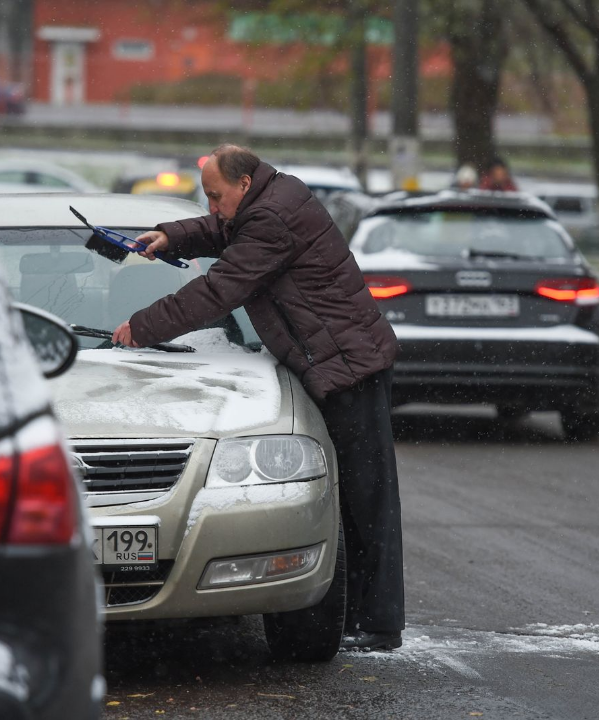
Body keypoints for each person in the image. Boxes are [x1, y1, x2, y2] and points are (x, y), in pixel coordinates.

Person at [112, 144, 405, 651]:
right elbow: (222, 230)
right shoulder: (268, 198)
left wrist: (141, 327)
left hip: (349, 366)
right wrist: (172, 235)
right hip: (336, 360)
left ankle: (378, 623)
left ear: (244, 185)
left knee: (366, 499)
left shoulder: (271, 218)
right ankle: (362, 616)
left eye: (216, 195)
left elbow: (220, 290)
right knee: (352, 495)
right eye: (206, 197)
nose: (211, 207)